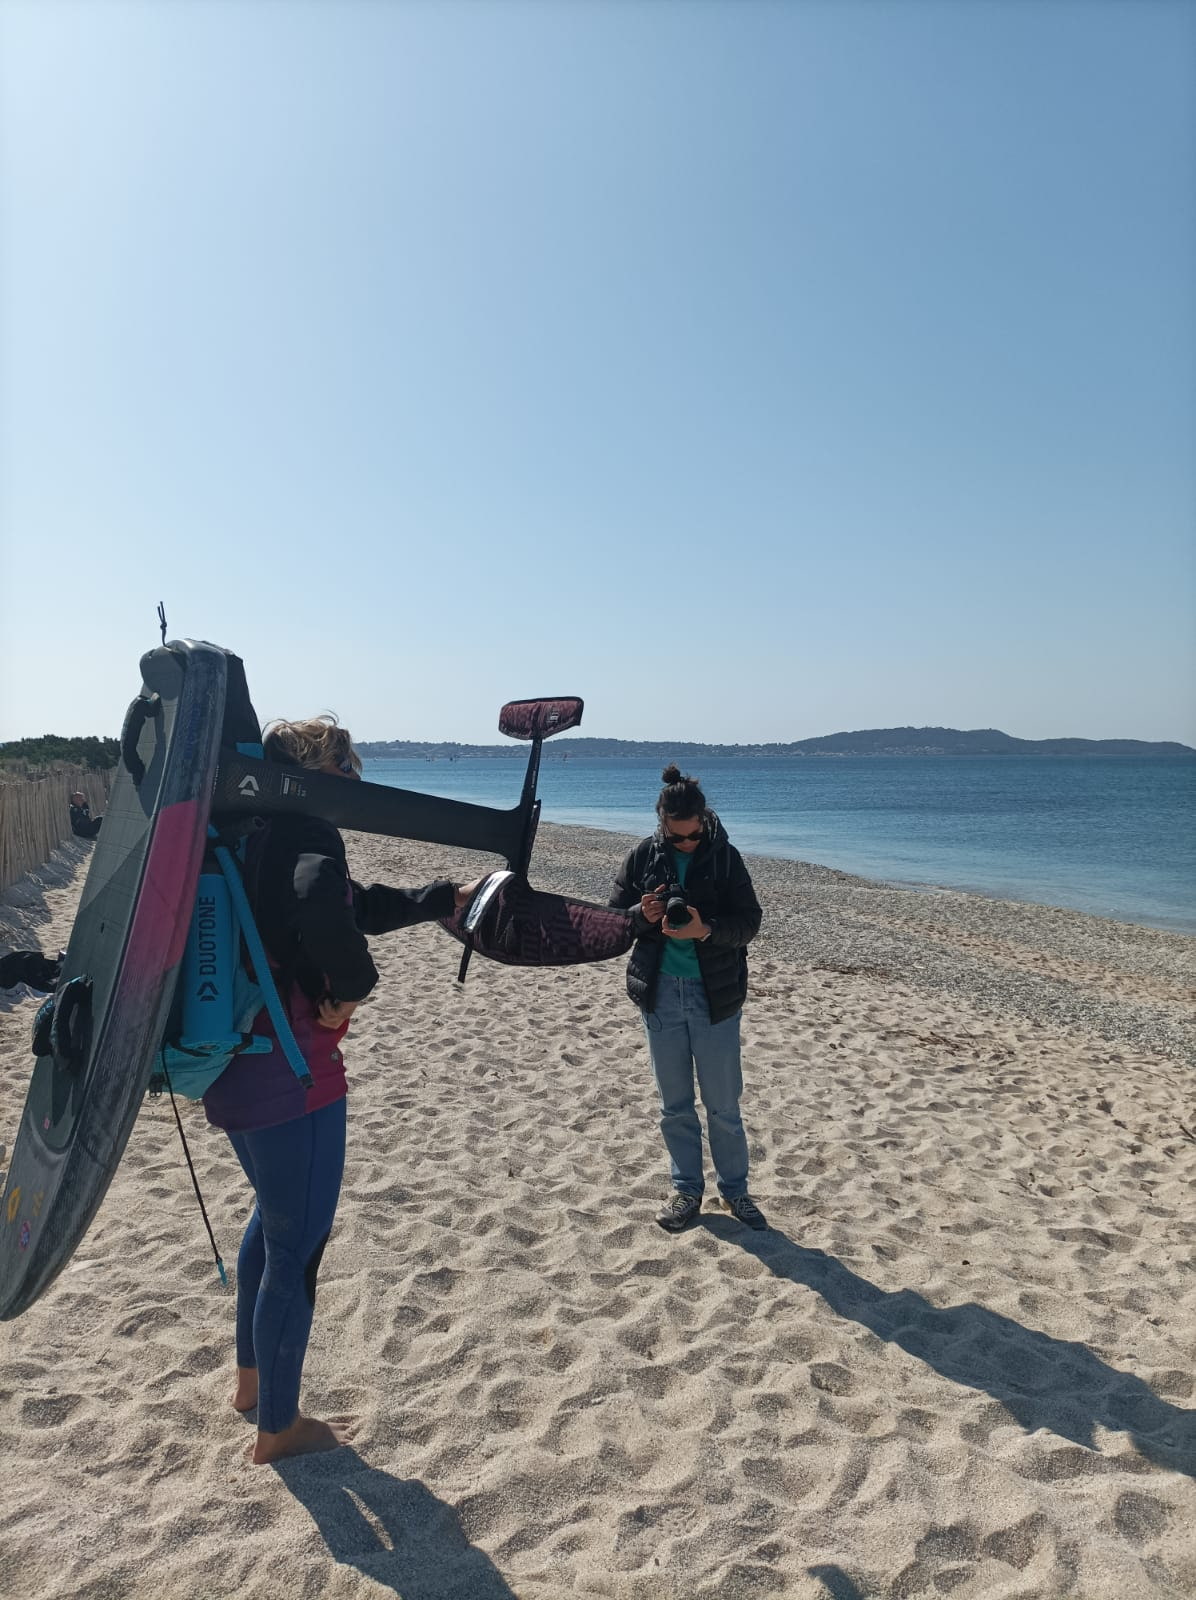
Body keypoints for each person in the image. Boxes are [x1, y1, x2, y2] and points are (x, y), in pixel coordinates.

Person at [201, 714, 483, 1464]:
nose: (357, 782)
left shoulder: (250, 830)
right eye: (349, 768)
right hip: (294, 1071)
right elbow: (323, 898)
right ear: (323, 773)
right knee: (299, 1245)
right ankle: (279, 1431)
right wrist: (354, 987)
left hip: (230, 1059)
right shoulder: (308, 833)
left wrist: (437, 898)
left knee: (271, 1222)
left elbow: (348, 901)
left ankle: (252, 1387)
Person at [609, 765, 766, 1233]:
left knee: (723, 1105)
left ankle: (736, 1193)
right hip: (659, 994)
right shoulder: (642, 857)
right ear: (662, 826)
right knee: (674, 1104)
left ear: (704, 821)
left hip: (714, 995)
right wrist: (642, 914)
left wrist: (707, 930)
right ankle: (686, 1191)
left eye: (693, 836)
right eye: (677, 839)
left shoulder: (724, 857)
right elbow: (614, 921)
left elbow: (750, 923)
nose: (686, 844)